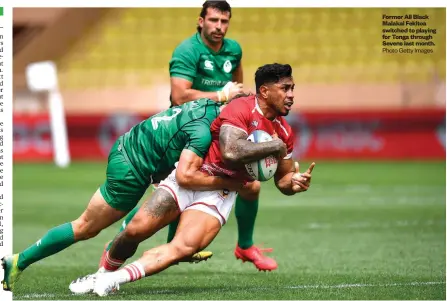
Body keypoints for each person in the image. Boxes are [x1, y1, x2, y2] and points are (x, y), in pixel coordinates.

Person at [70, 63, 316, 297]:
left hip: (219, 195)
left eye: (292, 88)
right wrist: (273, 146)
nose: (291, 95)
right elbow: (231, 151)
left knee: (183, 247)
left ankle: (110, 280)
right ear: (264, 90)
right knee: (135, 230)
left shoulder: (284, 132)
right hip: (195, 175)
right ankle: (102, 273)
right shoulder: (241, 108)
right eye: (285, 88)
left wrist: (294, 183)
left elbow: (283, 181)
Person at [101, 0, 280, 272]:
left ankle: (244, 246)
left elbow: (237, 90)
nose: (219, 27)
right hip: (188, 130)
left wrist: (238, 107)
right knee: (171, 191)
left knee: (251, 185)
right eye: (213, 20)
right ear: (201, 21)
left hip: (219, 130)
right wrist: (220, 95)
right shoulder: (187, 51)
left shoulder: (233, 50)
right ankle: (123, 241)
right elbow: (179, 96)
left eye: (224, 21)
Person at [1, 98, 243, 292]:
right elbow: (186, 178)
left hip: (134, 149)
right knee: (86, 226)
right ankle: (20, 261)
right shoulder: (202, 132)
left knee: (160, 206)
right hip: (132, 165)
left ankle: (131, 257)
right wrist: (233, 182)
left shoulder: (209, 105)